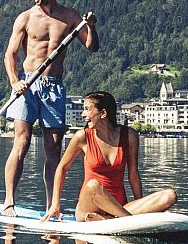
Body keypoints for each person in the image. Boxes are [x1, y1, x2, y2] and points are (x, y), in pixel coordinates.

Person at [0, 0, 97, 212]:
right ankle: (9, 201)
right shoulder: (25, 18)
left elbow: (92, 46)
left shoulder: (70, 17)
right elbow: (10, 55)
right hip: (26, 85)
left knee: (53, 147)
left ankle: (52, 206)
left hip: (54, 87)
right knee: (21, 143)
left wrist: (92, 27)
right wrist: (14, 82)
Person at [44, 90, 178, 222]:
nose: (83, 114)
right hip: (89, 208)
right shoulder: (82, 136)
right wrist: (55, 205)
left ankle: (110, 219)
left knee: (169, 195)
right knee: (93, 185)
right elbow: (62, 168)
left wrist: (140, 203)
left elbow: (133, 173)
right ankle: (128, 220)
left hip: (120, 208)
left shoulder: (129, 135)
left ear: (103, 113)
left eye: (87, 109)